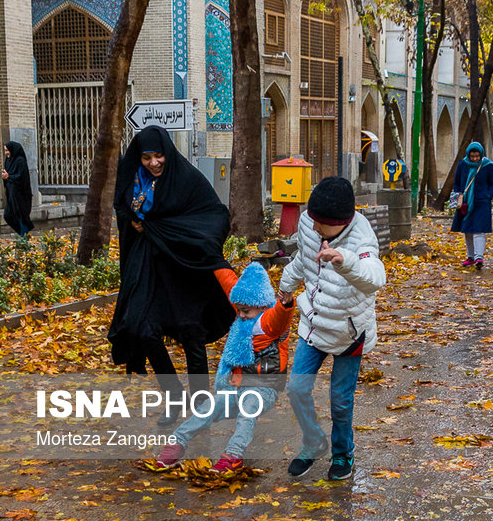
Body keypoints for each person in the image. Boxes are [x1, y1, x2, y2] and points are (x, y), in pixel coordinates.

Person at [107, 126, 235, 426]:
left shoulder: (187, 178)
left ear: (168, 153)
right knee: (142, 329)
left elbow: (216, 215)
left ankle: (201, 404)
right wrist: (135, 224)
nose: (154, 163)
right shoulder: (134, 178)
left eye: (159, 155)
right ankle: (174, 394)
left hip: (185, 268)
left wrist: (194, 241)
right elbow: (122, 207)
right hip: (148, 267)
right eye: (147, 157)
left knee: (191, 333)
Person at [280, 177, 385, 481]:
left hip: (349, 332)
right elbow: (303, 260)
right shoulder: (309, 223)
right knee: (297, 389)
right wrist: (287, 285)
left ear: (341, 223)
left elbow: (375, 277)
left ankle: (342, 455)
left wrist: (344, 261)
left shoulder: (362, 239)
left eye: (320, 224)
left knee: (340, 401)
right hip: (314, 323)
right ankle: (313, 443)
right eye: (311, 220)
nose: (313, 228)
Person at [154, 263, 293, 473]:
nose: (241, 315)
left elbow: (281, 317)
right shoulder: (243, 314)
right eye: (238, 310)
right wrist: (211, 257)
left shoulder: (269, 322)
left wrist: (286, 305)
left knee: (248, 410)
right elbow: (228, 281)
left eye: (245, 311)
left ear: (262, 305)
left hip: (263, 388)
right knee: (208, 408)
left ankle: (233, 456)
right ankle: (176, 444)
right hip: (235, 385)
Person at [451, 142, 493, 269]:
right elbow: (457, 181)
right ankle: (470, 256)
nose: (475, 158)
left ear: (481, 155)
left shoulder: (487, 165)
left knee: (479, 230)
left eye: (477, 156)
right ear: (468, 155)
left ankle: (479, 257)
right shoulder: (463, 164)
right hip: (465, 203)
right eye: (472, 156)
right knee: (468, 230)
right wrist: (458, 196)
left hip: (482, 203)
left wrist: (487, 196)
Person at [1, 142, 34, 236]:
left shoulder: (20, 161)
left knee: (21, 216)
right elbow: (8, 175)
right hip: (12, 194)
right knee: (8, 215)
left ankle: (24, 239)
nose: (6, 153)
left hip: (21, 195)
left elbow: (22, 178)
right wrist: (5, 176)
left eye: (7, 150)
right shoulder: (8, 160)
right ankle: (23, 234)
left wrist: (8, 177)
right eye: (5, 150)